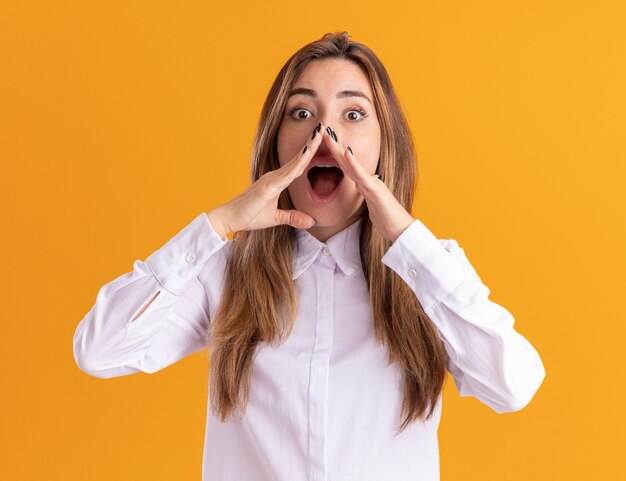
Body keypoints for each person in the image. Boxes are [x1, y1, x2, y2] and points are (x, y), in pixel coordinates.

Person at [73, 31, 546, 481]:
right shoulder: (226, 274)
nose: (324, 134)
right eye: (301, 113)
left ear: (384, 145)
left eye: (353, 115)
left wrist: (407, 239)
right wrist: (218, 225)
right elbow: (99, 350)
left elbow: (513, 385)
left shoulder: (429, 276)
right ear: (276, 141)